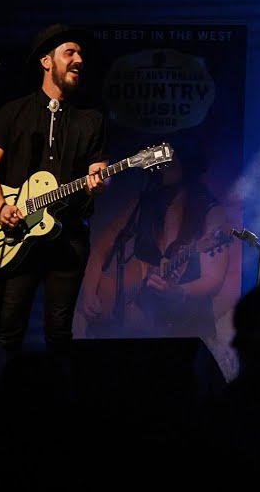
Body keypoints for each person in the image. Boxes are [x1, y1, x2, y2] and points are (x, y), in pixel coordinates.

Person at [0, 23, 108, 393]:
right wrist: (1, 207)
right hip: (18, 235)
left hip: (68, 238)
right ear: (46, 61)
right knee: (9, 330)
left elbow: (99, 172)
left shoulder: (90, 120)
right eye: (70, 53)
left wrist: (101, 179)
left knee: (59, 332)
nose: (79, 60)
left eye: (81, 55)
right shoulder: (14, 112)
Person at [78, 151, 241, 382]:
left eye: (168, 160)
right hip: (140, 333)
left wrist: (180, 292)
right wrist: (88, 293)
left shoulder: (210, 211)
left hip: (188, 333)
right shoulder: (145, 204)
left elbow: (212, 279)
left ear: (187, 164)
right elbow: (99, 250)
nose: (160, 166)